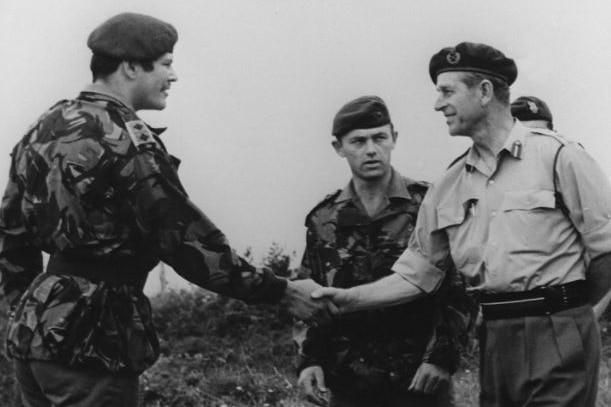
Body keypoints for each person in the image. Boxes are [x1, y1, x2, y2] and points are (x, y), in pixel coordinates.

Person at [0, 12, 332, 407]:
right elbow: (183, 239)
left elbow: (11, 234)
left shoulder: (43, 127)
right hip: (93, 342)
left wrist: (31, 312)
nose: (173, 77)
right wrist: (280, 291)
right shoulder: (126, 137)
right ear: (130, 67)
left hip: (35, 337)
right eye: (166, 64)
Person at [312, 42, 611, 407]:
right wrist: (347, 299)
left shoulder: (560, 157)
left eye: (447, 91)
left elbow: (607, 251)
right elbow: (417, 274)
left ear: (484, 92)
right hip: (496, 336)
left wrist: (572, 315)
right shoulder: (449, 184)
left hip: (558, 328)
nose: (438, 104)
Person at [294, 96, 476, 407]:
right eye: (358, 141)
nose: (371, 149)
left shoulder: (427, 205)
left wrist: (442, 358)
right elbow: (311, 298)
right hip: (350, 383)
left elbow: (460, 289)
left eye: (379, 137)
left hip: (419, 380)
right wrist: (309, 360)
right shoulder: (323, 218)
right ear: (339, 148)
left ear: (394, 138)